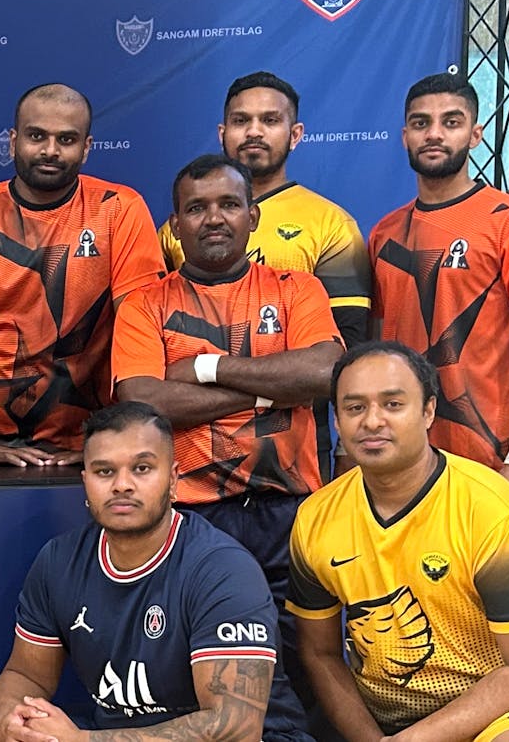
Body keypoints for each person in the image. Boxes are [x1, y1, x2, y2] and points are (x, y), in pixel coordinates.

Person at [112, 154, 345, 732]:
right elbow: (143, 403)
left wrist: (205, 369)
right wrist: (271, 391)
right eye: (196, 208)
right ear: (175, 225)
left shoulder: (297, 289)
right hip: (193, 519)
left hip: (291, 511)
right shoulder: (145, 303)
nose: (213, 218)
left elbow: (323, 373)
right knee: (203, 677)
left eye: (228, 204)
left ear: (253, 216)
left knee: (305, 667)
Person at [0, 401, 302, 742]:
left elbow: (236, 729)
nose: (122, 485)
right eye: (105, 471)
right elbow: (26, 674)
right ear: (86, 481)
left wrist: (84, 741)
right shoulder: (59, 560)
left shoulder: (222, 569)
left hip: (257, 737)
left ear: (173, 479)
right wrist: (9, 720)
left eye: (142, 468)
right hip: (107, 731)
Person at [289, 341, 509, 741]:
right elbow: (320, 654)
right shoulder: (315, 518)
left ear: (428, 411)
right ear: (336, 418)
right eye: (354, 408)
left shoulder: (494, 511)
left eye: (393, 404)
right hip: (384, 722)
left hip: (502, 714)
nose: (372, 421)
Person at [0, 83, 166, 467]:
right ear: (12, 141)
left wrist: (116, 441)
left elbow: (140, 334)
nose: (50, 150)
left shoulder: (119, 209)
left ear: (86, 148)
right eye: (37, 136)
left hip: (90, 445)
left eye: (66, 139)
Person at [163, 71, 371, 479]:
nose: (254, 131)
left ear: (295, 134)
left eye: (270, 120)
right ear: (222, 132)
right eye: (241, 121)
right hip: (193, 452)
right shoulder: (176, 233)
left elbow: (348, 354)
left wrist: (348, 445)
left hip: (294, 452)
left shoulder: (331, 224)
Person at [369, 72, 509, 500]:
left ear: (476, 134)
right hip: (400, 461)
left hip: (486, 463)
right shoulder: (384, 234)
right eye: (421, 123)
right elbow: (378, 352)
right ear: (404, 136)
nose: (434, 134)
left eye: (451, 122)